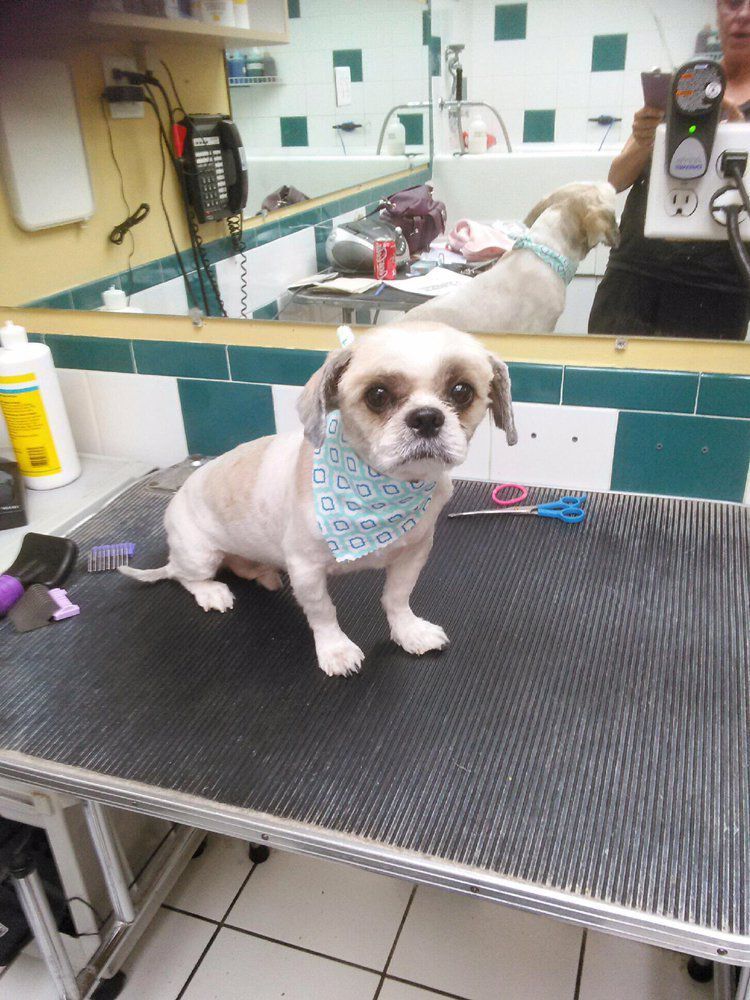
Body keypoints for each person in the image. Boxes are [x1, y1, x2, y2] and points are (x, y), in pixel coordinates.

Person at [588, 0, 750, 340]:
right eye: (733, 3)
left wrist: (735, 137)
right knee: (601, 386)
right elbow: (615, 180)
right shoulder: (687, 85)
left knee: (693, 391)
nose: (743, 15)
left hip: (716, 285)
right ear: (718, 10)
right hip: (634, 269)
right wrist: (646, 136)